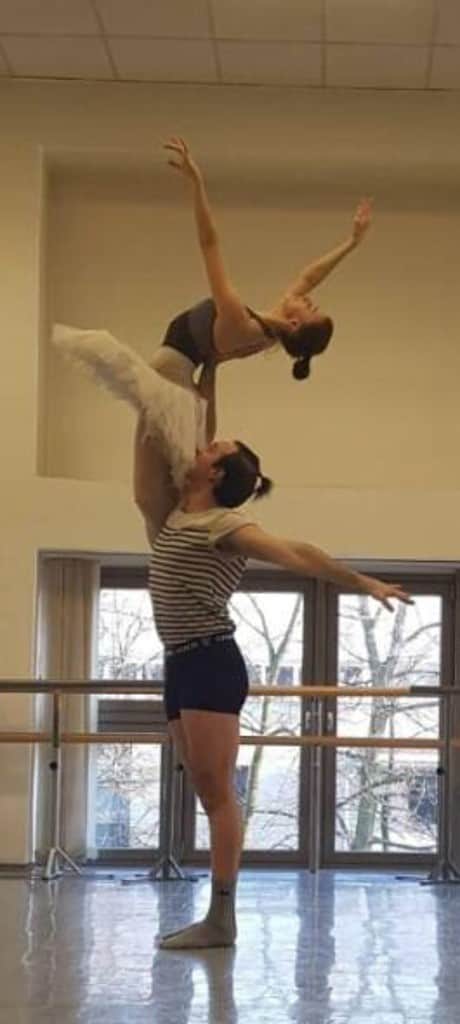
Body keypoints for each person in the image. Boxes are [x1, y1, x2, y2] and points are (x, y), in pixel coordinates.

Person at [140, 438, 411, 950]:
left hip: (208, 660)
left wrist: (362, 581)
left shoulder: (224, 525)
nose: (200, 446)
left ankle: (221, 918)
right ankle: (217, 916)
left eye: (211, 448)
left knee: (219, 795)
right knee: (204, 788)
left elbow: (296, 554)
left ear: (216, 474)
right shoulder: (180, 510)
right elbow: (202, 417)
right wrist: (210, 368)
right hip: (179, 662)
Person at [53, 137, 371, 538]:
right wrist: (352, 244)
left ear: (295, 326)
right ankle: (172, 544)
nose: (308, 298)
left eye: (311, 309)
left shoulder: (241, 321)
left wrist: (196, 183)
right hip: (182, 379)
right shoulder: (267, 333)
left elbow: (209, 243)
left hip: (171, 372)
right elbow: (309, 276)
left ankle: (174, 543)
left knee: (158, 490)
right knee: (169, 487)